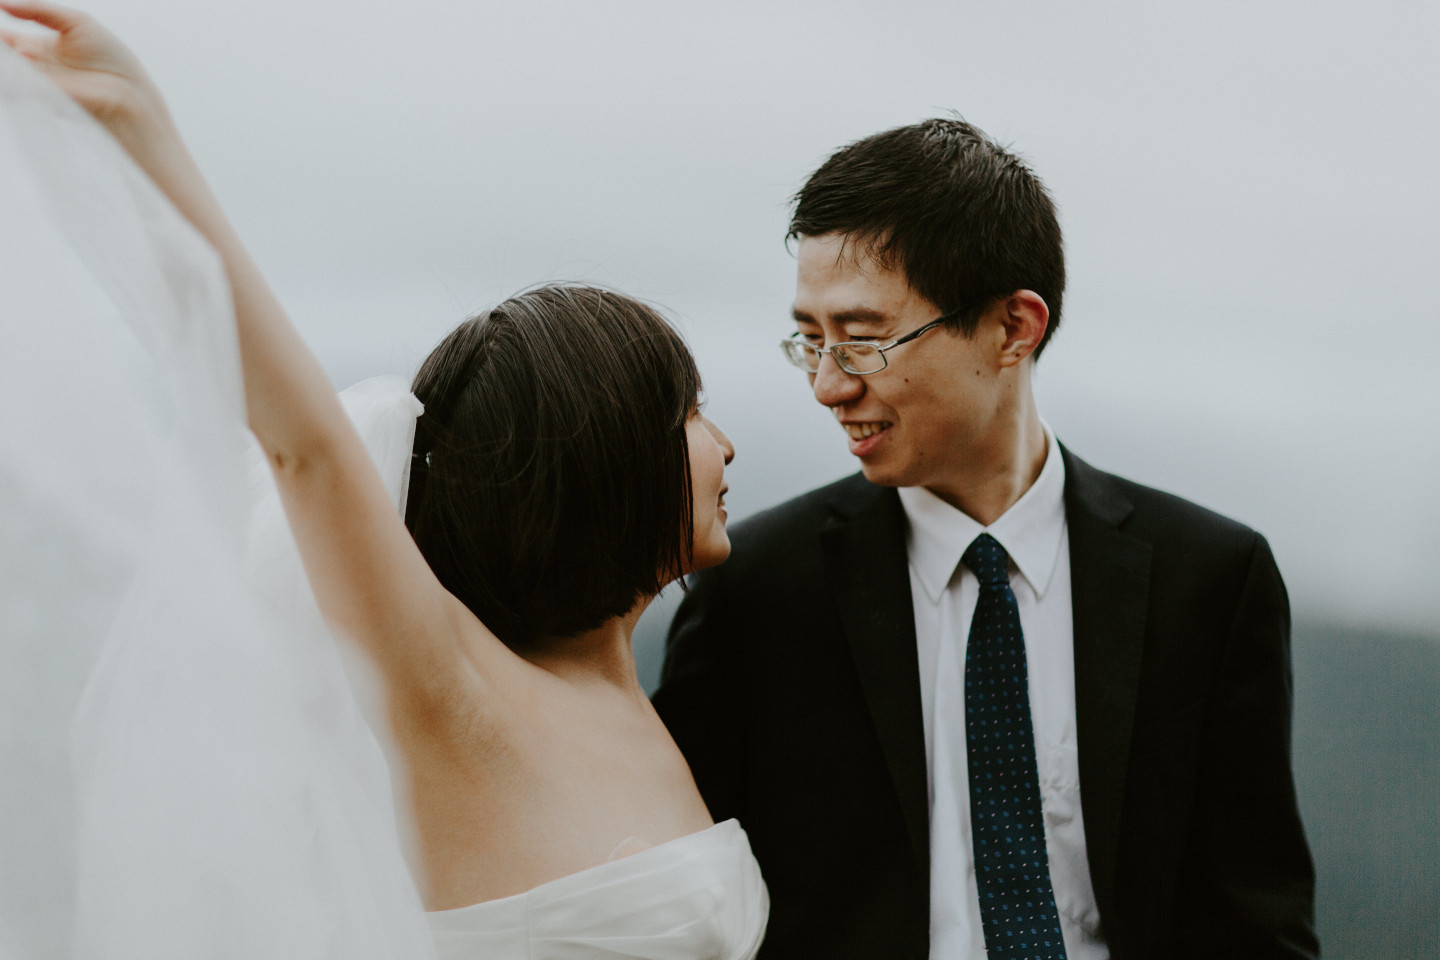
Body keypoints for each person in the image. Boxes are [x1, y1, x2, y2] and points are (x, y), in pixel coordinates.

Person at [0, 3, 767, 958]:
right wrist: (139, 126)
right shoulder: (454, 695)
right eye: (689, 413)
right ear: (606, 449)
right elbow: (307, 448)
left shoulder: (632, 702)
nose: (726, 444)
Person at [653, 118, 1319, 959]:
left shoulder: (1211, 580)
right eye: (811, 341)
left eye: (861, 340)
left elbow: (1255, 923)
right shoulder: (756, 589)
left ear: (1013, 329)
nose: (827, 386)